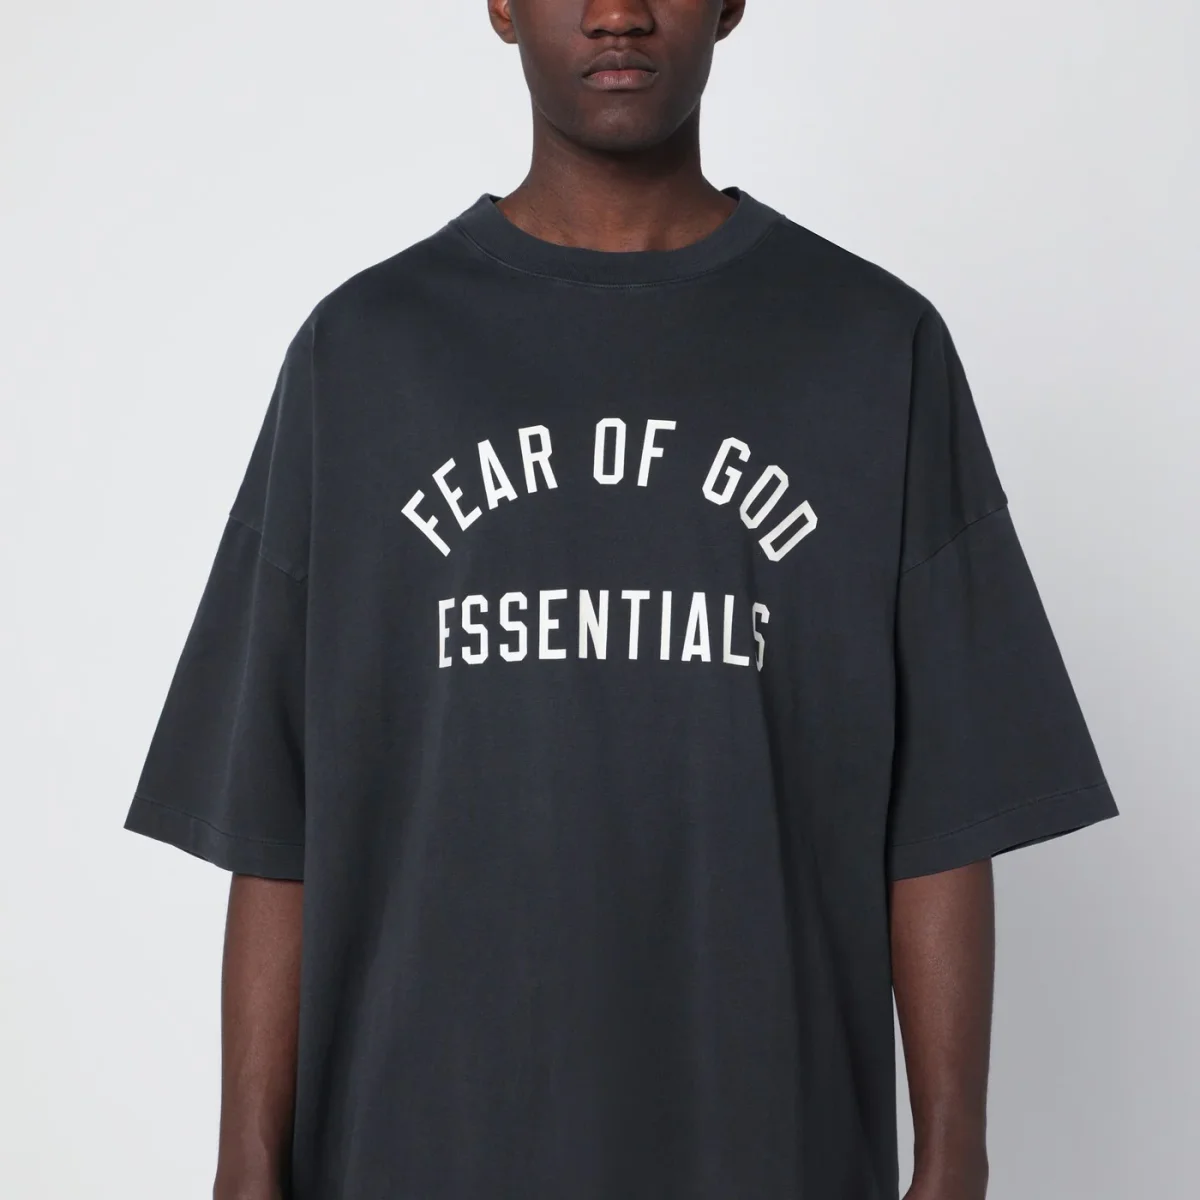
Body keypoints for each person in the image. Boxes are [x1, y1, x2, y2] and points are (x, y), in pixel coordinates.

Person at [124, 3, 1119, 1198]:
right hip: (416, 1147)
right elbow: (274, 818)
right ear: (501, 6)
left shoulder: (871, 346)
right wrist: (244, 1167)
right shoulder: (365, 356)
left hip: (767, 1147)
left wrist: (955, 1156)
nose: (617, 11)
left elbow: (948, 807)